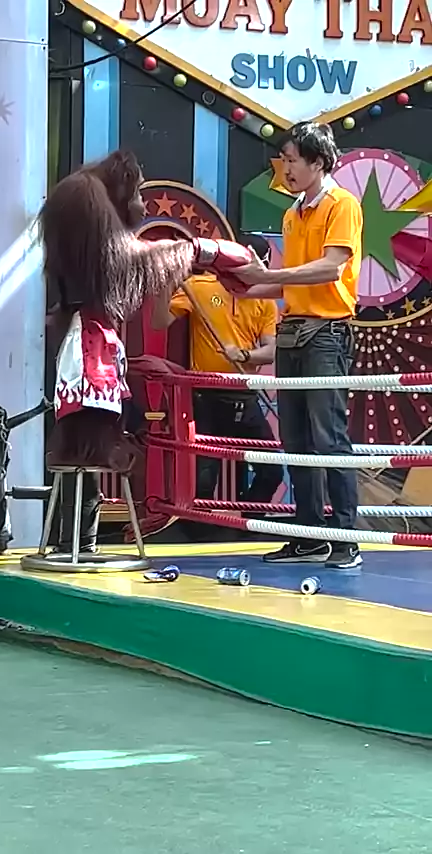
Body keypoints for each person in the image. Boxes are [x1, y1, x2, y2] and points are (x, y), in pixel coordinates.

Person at [39, 150, 199, 554]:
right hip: (86, 340)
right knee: (88, 443)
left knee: (90, 441)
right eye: (139, 193)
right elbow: (124, 266)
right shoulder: (86, 196)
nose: (142, 206)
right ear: (123, 183)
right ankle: (75, 543)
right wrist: (188, 252)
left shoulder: (86, 195)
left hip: (89, 335)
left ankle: (78, 542)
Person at [234, 122, 363, 570]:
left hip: (327, 332)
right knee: (296, 439)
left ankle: (345, 538)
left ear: (318, 162)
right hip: (293, 330)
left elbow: (330, 268)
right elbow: (291, 283)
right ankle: (309, 534)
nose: (285, 169)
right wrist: (243, 286)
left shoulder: (342, 204)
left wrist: (267, 276)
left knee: (329, 437)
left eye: (292, 160)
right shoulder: (292, 213)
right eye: (284, 160)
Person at [151, 233, 284, 507]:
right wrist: (165, 284)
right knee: (204, 478)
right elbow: (159, 322)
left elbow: (271, 351)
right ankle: (203, 528)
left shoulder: (265, 300)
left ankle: (247, 522)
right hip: (206, 396)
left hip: (244, 395)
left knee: (272, 471)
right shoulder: (199, 287)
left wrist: (245, 355)